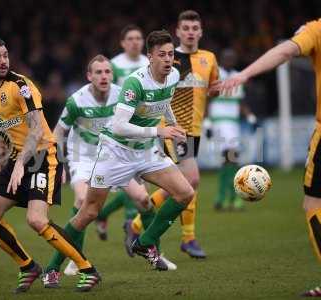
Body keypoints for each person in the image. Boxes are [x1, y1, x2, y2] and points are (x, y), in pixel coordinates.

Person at [50, 30, 194, 273]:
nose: (168, 59)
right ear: (150, 57)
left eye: (171, 54)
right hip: (113, 153)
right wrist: (159, 132)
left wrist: (171, 122)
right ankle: (54, 267)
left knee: (182, 193)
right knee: (88, 211)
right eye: (162, 55)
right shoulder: (133, 83)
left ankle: (147, 245)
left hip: (144, 151)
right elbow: (118, 126)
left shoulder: (173, 76)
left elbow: (164, 100)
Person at [0, 36, 100, 293]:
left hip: (41, 157)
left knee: (36, 220)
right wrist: (3, 168)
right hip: (14, 161)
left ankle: (87, 269)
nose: (3, 61)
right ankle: (28, 266)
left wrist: (21, 162)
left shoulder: (21, 85)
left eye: (5, 55)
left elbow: (36, 130)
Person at [216, 19, 321, 297]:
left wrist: (245, 75)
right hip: (221, 128)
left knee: (314, 202)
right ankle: (224, 198)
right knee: (228, 162)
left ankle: (227, 197)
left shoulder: (317, 29)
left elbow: (285, 51)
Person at [128, 10, 219, 258]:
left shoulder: (209, 59)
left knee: (176, 187)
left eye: (194, 28)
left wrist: (217, 92)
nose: (190, 32)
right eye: (186, 28)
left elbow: (212, 90)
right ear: (178, 31)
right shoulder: (169, 59)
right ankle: (188, 238)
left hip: (195, 129)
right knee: (192, 179)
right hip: (174, 130)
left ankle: (136, 224)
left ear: (201, 31)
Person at [95, 25, 150, 241]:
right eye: (131, 38)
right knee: (131, 179)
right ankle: (130, 223)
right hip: (121, 128)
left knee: (136, 183)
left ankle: (104, 215)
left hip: (143, 126)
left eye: (138, 38)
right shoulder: (115, 65)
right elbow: (108, 94)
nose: (135, 42)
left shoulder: (148, 63)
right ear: (123, 42)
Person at [208, 48, 256, 211]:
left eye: (232, 58)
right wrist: (206, 121)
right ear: (222, 59)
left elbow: (240, 102)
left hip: (233, 123)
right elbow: (207, 99)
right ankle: (231, 197)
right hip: (219, 122)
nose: (230, 60)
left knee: (229, 159)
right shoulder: (216, 75)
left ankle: (223, 198)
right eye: (227, 58)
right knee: (230, 158)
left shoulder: (237, 76)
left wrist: (250, 116)